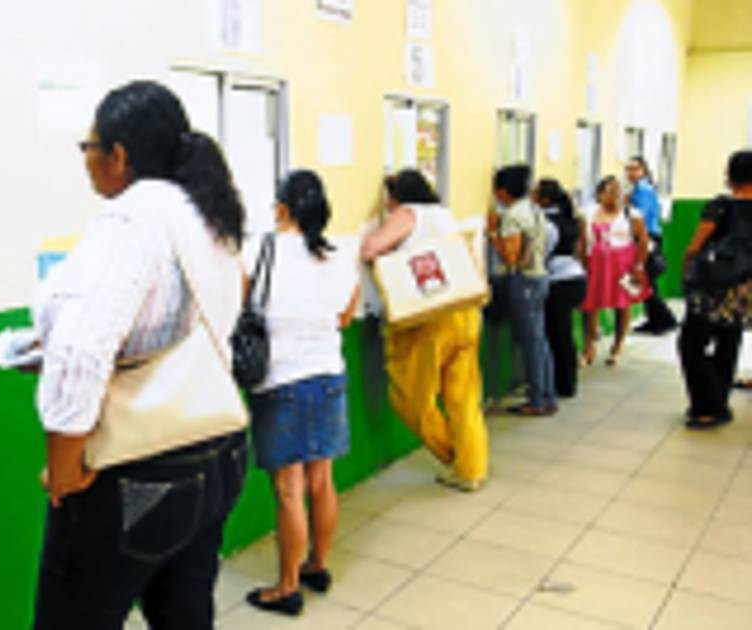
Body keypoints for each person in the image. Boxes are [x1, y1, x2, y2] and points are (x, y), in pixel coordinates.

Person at [31, 81, 247, 629]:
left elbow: (80, 351)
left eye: (89, 146)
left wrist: (64, 468)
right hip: (218, 450)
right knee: (185, 616)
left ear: (119, 156)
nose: (86, 159)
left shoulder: (129, 220)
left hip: (139, 470)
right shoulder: (208, 212)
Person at [244, 170, 359, 617]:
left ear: (282, 208)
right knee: (321, 481)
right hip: (329, 375)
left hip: (281, 381)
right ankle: (317, 565)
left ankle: (287, 588)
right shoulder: (339, 256)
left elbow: (239, 306)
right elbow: (344, 317)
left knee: (289, 489)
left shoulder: (260, 250)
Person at [362, 169, 488, 492]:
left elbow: (370, 249)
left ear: (399, 197)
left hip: (431, 317)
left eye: (389, 199)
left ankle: (451, 452)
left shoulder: (408, 213)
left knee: (409, 398)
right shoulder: (444, 215)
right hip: (465, 311)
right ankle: (470, 468)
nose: (387, 206)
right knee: (463, 397)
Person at [678, 150, 752, 429]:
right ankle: (719, 401)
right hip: (746, 288)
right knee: (729, 339)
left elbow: (695, 247)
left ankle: (707, 407)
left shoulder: (720, 206)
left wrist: (687, 274)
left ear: (731, 175)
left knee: (691, 343)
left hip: (714, 287)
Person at [487, 164, 557, 416]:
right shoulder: (534, 209)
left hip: (524, 281)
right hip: (540, 277)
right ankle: (547, 396)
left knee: (531, 342)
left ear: (503, 191)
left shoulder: (513, 216)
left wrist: (493, 234)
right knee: (540, 341)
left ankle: (537, 400)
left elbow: (510, 257)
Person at [581, 176, 651, 366]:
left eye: (617, 192)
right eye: (610, 191)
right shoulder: (588, 213)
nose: (614, 196)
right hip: (595, 262)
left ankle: (617, 346)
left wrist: (639, 266)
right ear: (600, 194)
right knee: (590, 304)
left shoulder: (632, 214)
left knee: (622, 304)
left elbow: (643, 241)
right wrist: (581, 261)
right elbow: (583, 240)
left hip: (622, 264)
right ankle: (589, 346)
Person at [534, 179, 587, 398]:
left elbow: (540, 255)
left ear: (545, 200)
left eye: (535, 194)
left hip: (559, 281)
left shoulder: (547, 224)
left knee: (557, 334)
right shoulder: (569, 219)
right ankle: (566, 381)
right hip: (576, 277)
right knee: (564, 333)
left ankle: (562, 384)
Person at [627, 156, 679, 335]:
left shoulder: (643, 190)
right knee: (647, 281)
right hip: (646, 236)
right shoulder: (638, 189)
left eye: (635, 169)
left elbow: (639, 216)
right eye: (628, 169)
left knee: (646, 280)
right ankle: (655, 319)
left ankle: (665, 320)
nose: (630, 173)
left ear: (643, 171)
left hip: (647, 237)